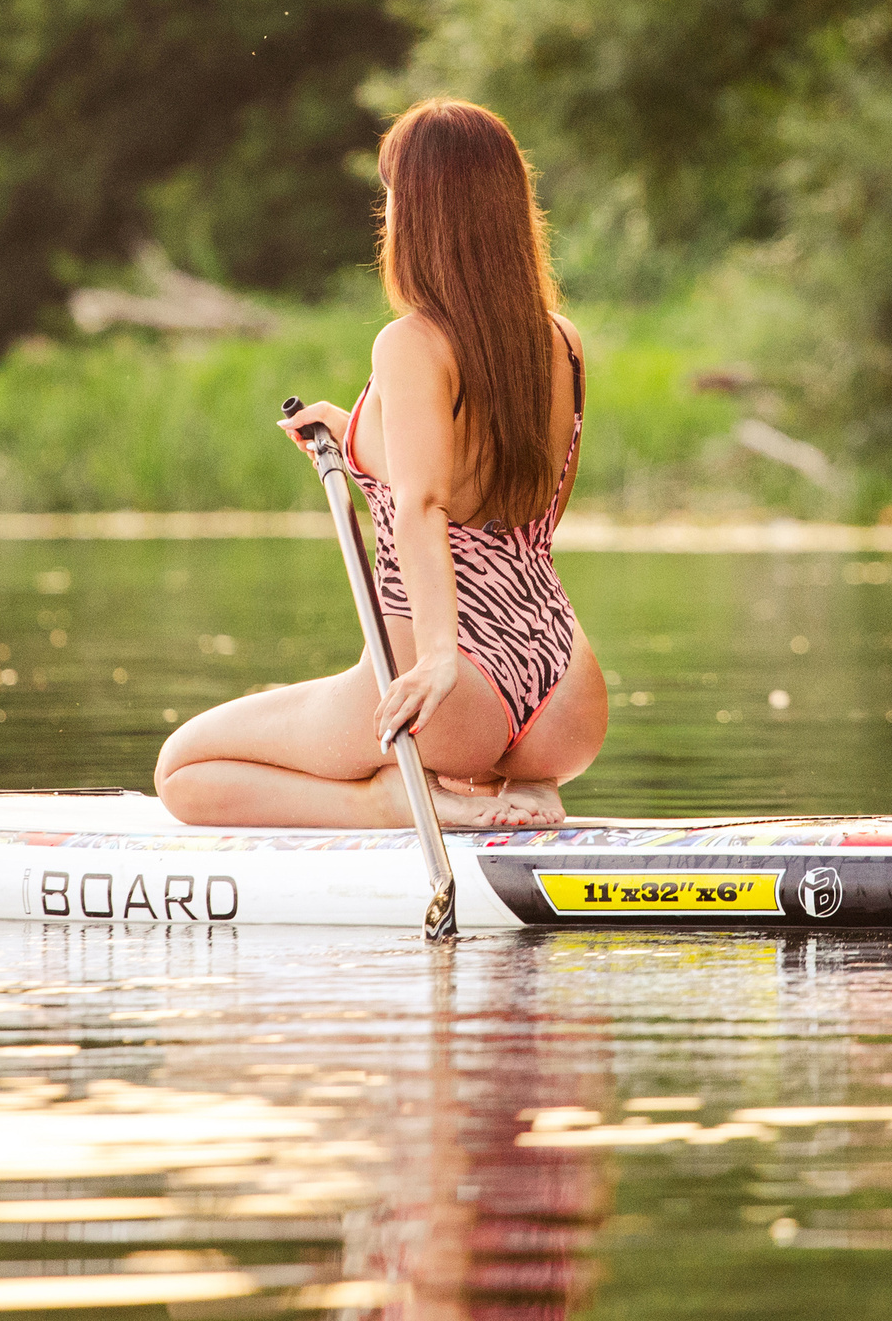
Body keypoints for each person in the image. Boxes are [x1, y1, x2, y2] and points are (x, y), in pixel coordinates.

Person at [155, 99, 608, 828]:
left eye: (392, 193)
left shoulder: (411, 344)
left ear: (419, 213)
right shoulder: (560, 341)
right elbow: (499, 495)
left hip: (456, 693)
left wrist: (437, 662)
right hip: (566, 695)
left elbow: (427, 503)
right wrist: (352, 434)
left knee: (184, 769)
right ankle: (516, 783)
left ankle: (392, 799)